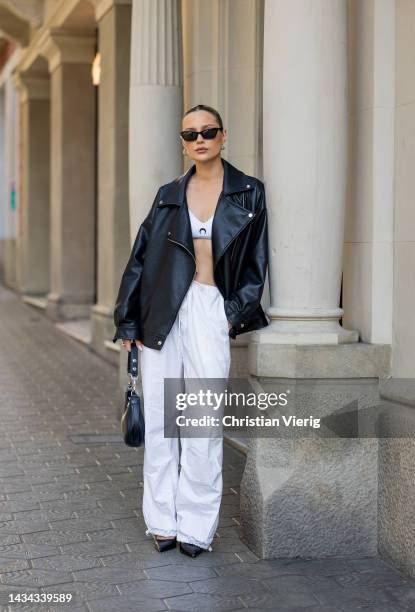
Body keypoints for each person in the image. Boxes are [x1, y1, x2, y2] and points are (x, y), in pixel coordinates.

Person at [112, 104, 269, 558]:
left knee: (202, 422)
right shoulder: (167, 195)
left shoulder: (248, 193)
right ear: (183, 143)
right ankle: (161, 520)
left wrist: (228, 314)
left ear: (223, 136)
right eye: (190, 134)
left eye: (208, 131)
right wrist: (128, 319)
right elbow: (140, 259)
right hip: (162, 311)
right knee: (163, 424)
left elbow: (257, 266)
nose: (199, 139)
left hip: (209, 308)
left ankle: (197, 527)